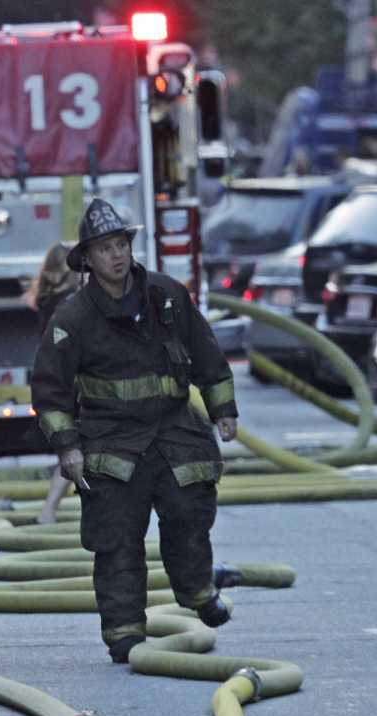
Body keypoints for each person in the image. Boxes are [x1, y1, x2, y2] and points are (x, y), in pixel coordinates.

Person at [31, 199, 240, 664]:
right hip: (110, 441)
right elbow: (49, 392)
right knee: (117, 539)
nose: (117, 255)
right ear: (87, 258)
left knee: (190, 517)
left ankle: (198, 592)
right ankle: (124, 633)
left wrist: (223, 408)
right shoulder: (73, 319)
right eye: (105, 248)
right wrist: (67, 448)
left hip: (174, 431)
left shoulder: (167, 296)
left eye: (122, 244)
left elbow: (207, 353)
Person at [23, 241, 80, 524]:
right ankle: (48, 510)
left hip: (57, 379)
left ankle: (50, 510)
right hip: (74, 381)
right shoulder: (71, 300)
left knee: (73, 449)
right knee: (77, 448)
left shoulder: (46, 298)